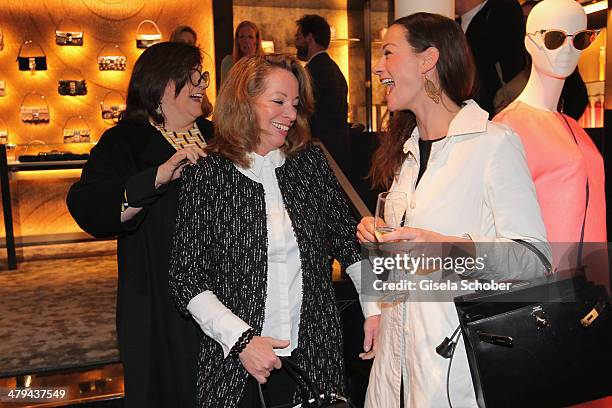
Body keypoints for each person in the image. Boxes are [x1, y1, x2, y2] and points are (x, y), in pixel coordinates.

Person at [356, 13, 550, 407]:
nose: (378, 67)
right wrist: (376, 249)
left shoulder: (492, 143)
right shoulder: (406, 154)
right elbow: (400, 266)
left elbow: (534, 258)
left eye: (389, 53)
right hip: (393, 370)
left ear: (428, 60)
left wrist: (447, 248)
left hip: (455, 369)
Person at [169, 53, 378, 408]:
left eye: (295, 104)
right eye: (278, 101)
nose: (291, 114)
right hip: (235, 362)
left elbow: (350, 243)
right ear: (243, 102)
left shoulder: (311, 164)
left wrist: (374, 312)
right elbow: (186, 277)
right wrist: (241, 341)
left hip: (314, 356)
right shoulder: (208, 175)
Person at [66, 42, 213, 408]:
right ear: (160, 83)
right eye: (191, 76)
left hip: (226, 293)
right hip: (159, 299)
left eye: (202, 76)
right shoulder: (125, 141)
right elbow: (87, 203)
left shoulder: (218, 136)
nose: (201, 84)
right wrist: (156, 178)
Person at [493, 0, 606, 270]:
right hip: (547, 292)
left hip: (592, 292)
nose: (568, 48)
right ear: (530, 42)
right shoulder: (508, 126)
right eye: (555, 38)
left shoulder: (574, 127)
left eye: (580, 39)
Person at [295, 14, 349, 168]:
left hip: (320, 156)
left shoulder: (311, 73)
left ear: (309, 37)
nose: (295, 42)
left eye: (298, 36)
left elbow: (306, 118)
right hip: (338, 154)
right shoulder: (334, 68)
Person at [456, 0, 526, 116]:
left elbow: (510, 63)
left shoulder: (502, 10)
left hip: (494, 110)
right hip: (471, 112)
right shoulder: (455, 24)